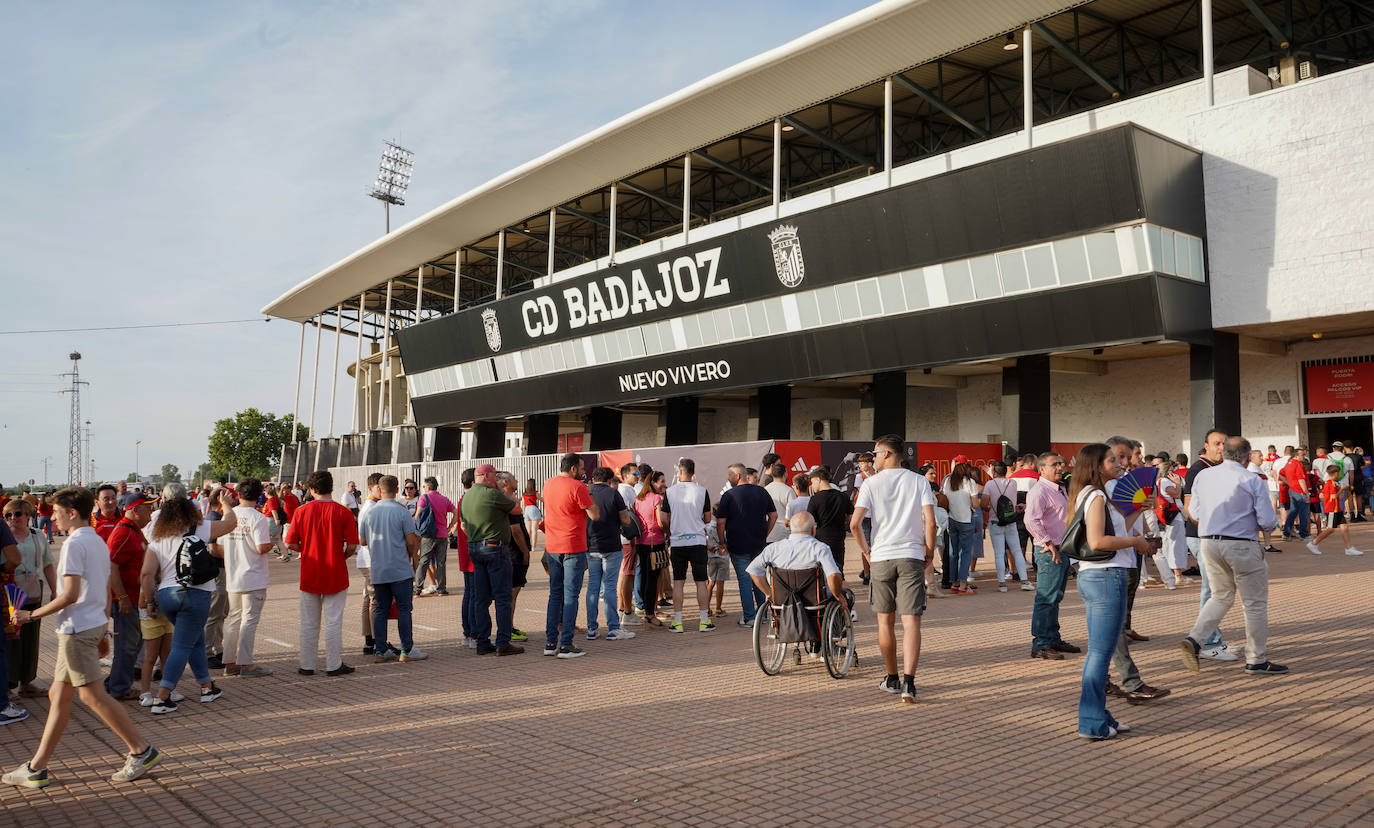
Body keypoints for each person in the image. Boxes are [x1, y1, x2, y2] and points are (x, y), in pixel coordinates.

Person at [3, 488, 163, 787]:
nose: (53, 517)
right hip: (85, 627)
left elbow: (70, 595)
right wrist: (102, 629)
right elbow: (101, 588)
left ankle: (141, 750)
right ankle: (36, 768)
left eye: (57, 512)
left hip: (76, 630)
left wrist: (30, 615)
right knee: (58, 696)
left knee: (91, 695)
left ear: (72, 513)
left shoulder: (75, 544)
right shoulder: (96, 540)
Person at [1067, 445, 1158, 740]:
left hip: (1104, 575)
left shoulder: (1097, 494)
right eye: (1112, 460)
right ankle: (1091, 721)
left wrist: (1138, 512)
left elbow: (1115, 529)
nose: (1120, 464)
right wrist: (1136, 544)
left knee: (1100, 651)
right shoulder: (1094, 496)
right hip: (1105, 575)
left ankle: (1100, 716)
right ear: (1096, 465)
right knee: (1099, 653)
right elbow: (1098, 541)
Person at [1181, 436, 1288, 676]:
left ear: (1224, 453)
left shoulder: (1203, 476)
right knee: (1254, 604)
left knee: (1220, 596)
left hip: (1209, 542)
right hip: (1241, 543)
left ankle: (1196, 638)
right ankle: (1256, 659)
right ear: (1247, 457)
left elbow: (1194, 512)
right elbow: (1267, 521)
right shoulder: (1251, 479)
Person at [138, 484, 236, 714]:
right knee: (182, 646)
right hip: (195, 594)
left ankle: (207, 686)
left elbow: (147, 573)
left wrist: (150, 601)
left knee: (195, 640)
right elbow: (230, 524)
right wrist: (227, 505)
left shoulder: (156, 533)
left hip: (166, 595)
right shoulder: (198, 527)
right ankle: (162, 698)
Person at [852, 435, 935, 704]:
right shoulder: (919, 481)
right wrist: (929, 552)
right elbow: (930, 522)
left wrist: (867, 551)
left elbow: (855, 524)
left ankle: (892, 677)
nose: (872, 459)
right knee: (911, 622)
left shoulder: (871, 484)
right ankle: (909, 683)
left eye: (875, 453)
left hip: (882, 556)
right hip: (911, 554)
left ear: (887, 453)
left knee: (884, 622)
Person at [285, 471, 360, 677]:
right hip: (335, 571)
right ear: (331, 487)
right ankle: (333, 664)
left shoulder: (301, 511)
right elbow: (353, 544)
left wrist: (306, 551)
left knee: (309, 622)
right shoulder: (343, 511)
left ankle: (307, 664)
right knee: (333, 620)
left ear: (311, 490)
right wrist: (341, 555)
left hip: (310, 571)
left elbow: (290, 543)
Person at [358, 475, 426, 663]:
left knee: (381, 609)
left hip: (379, 567)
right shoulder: (402, 511)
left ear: (379, 489)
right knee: (404, 609)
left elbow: (362, 541)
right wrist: (411, 556)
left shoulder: (369, 512)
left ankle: (380, 650)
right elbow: (412, 541)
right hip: (399, 567)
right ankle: (407, 649)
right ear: (397, 490)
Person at [746, 513, 848, 635]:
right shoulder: (820, 548)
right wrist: (838, 596)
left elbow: (753, 570)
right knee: (847, 594)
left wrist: (769, 593)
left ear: (791, 529)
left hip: (782, 599)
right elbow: (833, 575)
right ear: (813, 530)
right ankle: (831, 637)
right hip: (814, 599)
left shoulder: (773, 548)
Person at [460, 464, 523, 656]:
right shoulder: (492, 494)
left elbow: (463, 525)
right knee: (503, 597)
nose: (496, 480)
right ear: (487, 476)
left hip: (475, 547)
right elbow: (517, 509)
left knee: (481, 598)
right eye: (494, 477)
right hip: (495, 547)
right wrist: (502, 491)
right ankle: (503, 642)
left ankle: (482, 641)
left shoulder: (467, 496)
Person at [540, 455, 598, 657]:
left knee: (555, 594)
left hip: (553, 545)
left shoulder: (548, 484)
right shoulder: (578, 486)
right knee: (571, 595)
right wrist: (590, 494)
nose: (584, 472)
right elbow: (594, 514)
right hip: (573, 545)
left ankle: (550, 643)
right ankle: (566, 643)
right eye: (582, 468)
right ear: (573, 468)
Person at [1024, 452, 1080, 661]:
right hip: (1049, 551)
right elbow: (1031, 520)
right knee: (1046, 598)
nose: (1060, 468)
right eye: (1054, 465)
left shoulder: (1061, 490)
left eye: (1062, 464)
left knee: (1056, 597)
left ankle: (1053, 638)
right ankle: (1040, 644)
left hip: (1062, 548)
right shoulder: (1039, 491)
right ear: (1041, 469)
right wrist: (1047, 542)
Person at [103, 491, 157, 701]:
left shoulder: (133, 530)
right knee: (127, 647)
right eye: (148, 508)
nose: (151, 513)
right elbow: (111, 565)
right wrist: (122, 597)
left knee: (131, 646)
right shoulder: (124, 532)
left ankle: (114, 683)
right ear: (136, 510)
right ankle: (119, 688)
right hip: (128, 600)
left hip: (135, 599)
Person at [219, 477, 274, 678]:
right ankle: (246, 664)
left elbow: (220, 547)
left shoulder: (229, 516)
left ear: (239, 495)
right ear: (258, 495)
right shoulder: (257, 518)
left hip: (234, 574)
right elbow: (260, 547)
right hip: (253, 575)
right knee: (248, 620)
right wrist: (272, 544)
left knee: (233, 618)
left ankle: (230, 661)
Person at [714, 462, 776, 627]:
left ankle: (749, 617)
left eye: (730, 475)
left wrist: (722, 542)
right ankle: (762, 614)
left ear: (738, 476)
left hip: (737, 543)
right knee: (759, 577)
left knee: (744, 580)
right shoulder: (762, 491)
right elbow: (774, 515)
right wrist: (765, 534)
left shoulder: (729, 495)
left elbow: (720, 522)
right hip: (758, 543)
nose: (728, 478)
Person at [658, 458, 714, 634]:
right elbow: (707, 518)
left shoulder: (670, 492)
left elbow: (664, 518)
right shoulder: (702, 491)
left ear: (679, 472)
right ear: (693, 472)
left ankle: (678, 622)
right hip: (697, 541)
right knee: (701, 582)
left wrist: (671, 529)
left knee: (678, 582)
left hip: (678, 542)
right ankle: (704, 621)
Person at [5, 500, 54, 701]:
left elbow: (48, 564)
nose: (12, 519)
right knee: (10, 639)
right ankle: (8, 684)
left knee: (31, 638)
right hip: (9, 595)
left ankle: (27, 682)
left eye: (17, 514)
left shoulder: (37, 536)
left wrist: (55, 590)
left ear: (27, 515)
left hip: (33, 591)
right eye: (7, 515)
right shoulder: (3, 537)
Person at [584, 467, 634, 641]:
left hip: (591, 545)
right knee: (610, 587)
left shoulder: (587, 493)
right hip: (611, 545)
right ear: (609, 479)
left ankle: (591, 628)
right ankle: (613, 627)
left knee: (593, 587)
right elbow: (625, 520)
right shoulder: (614, 494)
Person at [496, 472, 532, 642]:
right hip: (514, 552)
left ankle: (508, 626)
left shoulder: (511, 499)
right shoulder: (507, 502)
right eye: (513, 479)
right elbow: (515, 530)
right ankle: (506, 628)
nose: (517, 480)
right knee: (512, 592)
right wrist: (525, 551)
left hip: (513, 551)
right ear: (505, 483)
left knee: (513, 591)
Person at [984, 462, 1032, 592]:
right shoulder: (1012, 483)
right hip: (1011, 521)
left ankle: (1002, 584)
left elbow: (984, 502)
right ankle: (1025, 581)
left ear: (994, 472)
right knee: (1017, 551)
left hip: (995, 522)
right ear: (1006, 471)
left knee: (999, 554)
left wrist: (989, 508)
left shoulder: (989, 484)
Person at [631, 471, 669, 628]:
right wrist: (669, 530)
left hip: (642, 543)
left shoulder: (638, 499)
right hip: (656, 543)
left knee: (646, 578)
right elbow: (662, 523)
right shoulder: (657, 499)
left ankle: (648, 612)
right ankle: (650, 615)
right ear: (653, 482)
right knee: (653, 581)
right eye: (661, 481)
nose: (664, 484)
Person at [414, 477, 457, 598]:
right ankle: (441, 589)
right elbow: (456, 512)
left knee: (423, 561)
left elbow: (417, 516)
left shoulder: (424, 497)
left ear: (427, 487)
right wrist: (450, 527)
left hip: (428, 534)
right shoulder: (444, 499)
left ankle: (418, 588)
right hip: (442, 534)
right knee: (441, 562)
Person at [806, 466, 854, 573]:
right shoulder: (843, 496)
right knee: (838, 569)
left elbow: (809, 521)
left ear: (818, 480)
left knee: (821, 571)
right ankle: (839, 588)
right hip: (839, 539)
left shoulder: (815, 499)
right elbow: (851, 517)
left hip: (820, 539)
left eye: (813, 482)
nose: (812, 486)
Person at [942, 463, 979, 594]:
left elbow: (945, 499)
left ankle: (955, 583)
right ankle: (963, 584)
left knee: (953, 552)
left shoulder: (948, 481)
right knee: (965, 553)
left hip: (952, 519)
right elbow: (975, 504)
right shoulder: (970, 482)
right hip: (966, 520)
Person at [1309, 465, 1362, 556]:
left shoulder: (1330, 483)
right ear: (1336, 473)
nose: (1340, 474)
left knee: (1344, 527)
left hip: (1337, 508)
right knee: (1330, 529)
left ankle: (1349, 548)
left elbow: (1322, 495)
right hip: (1332, 509)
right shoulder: (1331, 484)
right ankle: (1314, 543)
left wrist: (1331, 496)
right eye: (1339, 472)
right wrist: (1341, 490)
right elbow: (1334, 496)